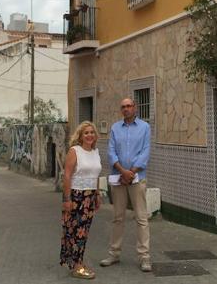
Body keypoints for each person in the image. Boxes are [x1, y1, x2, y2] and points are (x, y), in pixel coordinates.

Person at [100, 98, 152, 272]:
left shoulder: (145, 127)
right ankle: (114, 254)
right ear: (121, 110)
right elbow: (111, 151)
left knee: (141, 218)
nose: (126, 109)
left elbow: (145, 152)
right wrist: (123, 172)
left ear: (135, 108)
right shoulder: (115, 128)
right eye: (123, 107)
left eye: (129, 106)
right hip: (119, 178)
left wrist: (132, 172)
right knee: (118, 217)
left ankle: (144, 257)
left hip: (137, 178)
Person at [60, 121, 102, 279]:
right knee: (75, 232)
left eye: (92, 132)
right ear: (80, 135)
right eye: (86, 133)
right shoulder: (74, 151)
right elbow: (67, 175)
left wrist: (97, 194)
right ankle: (76, 266)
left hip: (90, 197)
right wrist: (67, 199)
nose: (90, 135)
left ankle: (79, 261)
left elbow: (96, 175)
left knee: (84, 232)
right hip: (76, 196)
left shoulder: (95, 152)